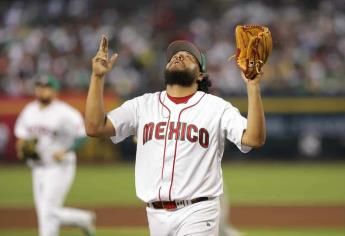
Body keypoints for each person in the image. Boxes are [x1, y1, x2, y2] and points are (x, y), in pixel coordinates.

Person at [85, 36, 266, 236]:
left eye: (188, 56)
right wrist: (97, 77)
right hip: (155, 215)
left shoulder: (216, 107)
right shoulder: (142, 105)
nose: (178, 56)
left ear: (200, 75)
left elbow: (253, 138)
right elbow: (94, 128)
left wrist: (253, 86)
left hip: (198, 211)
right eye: (174, 56)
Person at [14, 75, 96, 236]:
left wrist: (66, 150)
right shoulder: (29, 111)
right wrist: (21, 147)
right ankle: (83, 219)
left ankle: (82, 220)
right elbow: (21, 136)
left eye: (46, 87)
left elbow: (83, 134)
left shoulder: (65, 112)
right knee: (45, 213)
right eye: (39, 86)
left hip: (60, 166)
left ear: (55, 91)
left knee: (47, 212)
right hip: (37, 167)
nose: (42, 90)